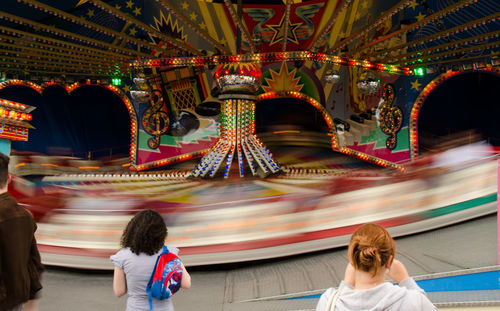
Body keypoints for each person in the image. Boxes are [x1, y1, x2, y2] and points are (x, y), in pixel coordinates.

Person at [315, 223, 436, 311]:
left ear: (352, 260)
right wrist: (406, 281)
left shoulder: (328, 302)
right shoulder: (412, 301)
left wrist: (345, 286)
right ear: (389, 261)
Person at [110, 209, 191, 311]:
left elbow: (119, 291)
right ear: (161, 232)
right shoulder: (169, 253)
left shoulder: (122, 257)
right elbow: (186, 284)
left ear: (132, 231)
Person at [0, 153, 44, 311]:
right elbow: (33, 262)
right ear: (10, 178)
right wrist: (32, 300)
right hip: (16, 299)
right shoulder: (25, 216)